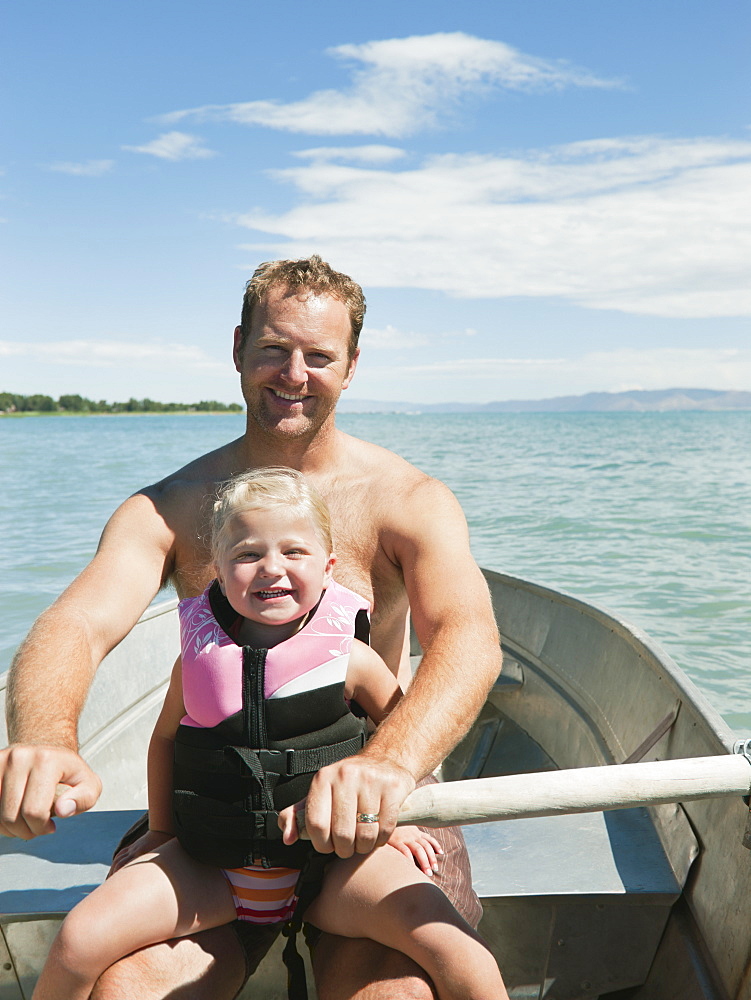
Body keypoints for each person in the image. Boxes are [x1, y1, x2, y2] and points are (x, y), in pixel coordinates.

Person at [2, 254, 504, 1000]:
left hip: (370, 808)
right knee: (129, 988)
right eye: (273, 349)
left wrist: (390, 765)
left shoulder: (409, 500)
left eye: (318, 356)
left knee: (396, 995)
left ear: (352, 365)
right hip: (218, 807)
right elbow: (75, 623)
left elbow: (468, 637)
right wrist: (43, 737)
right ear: (237, 348)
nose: (293, 373)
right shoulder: (170, 507)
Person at [31, 468, 507, 1000]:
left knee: (455, 946)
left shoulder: (351, 659)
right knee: (78, 939)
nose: (271, 569)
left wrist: (388, 822)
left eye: (294, 552)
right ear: (217, 569)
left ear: (329, 568)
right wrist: (164, 834)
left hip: (335, 869)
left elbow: (398, 736)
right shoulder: (196, 664)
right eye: (247, 554)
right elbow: (165, 741)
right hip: (216, 872)